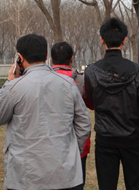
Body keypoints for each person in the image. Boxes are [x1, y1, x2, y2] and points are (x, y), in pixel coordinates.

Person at [0, 34, 91, 190]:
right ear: (47, 55)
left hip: (25, 175)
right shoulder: (68, 84)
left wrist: (8, 83)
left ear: (20, 58)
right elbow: (84, 124)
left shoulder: (14, 87)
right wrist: (72, 151)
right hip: (64, 173)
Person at [84, 18, 139, 190]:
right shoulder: (137, 70)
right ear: (124, 41)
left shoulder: (92, 71)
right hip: (132, 137)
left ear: (102, 40)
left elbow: (91, 102)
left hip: (105, 139)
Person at [50, 41, 90, 190]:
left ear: (52, 59)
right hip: (77, 144)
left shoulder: (43, 79)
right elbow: (89, 106)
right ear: (71, 58)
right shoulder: (80, 80)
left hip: (50, 143)